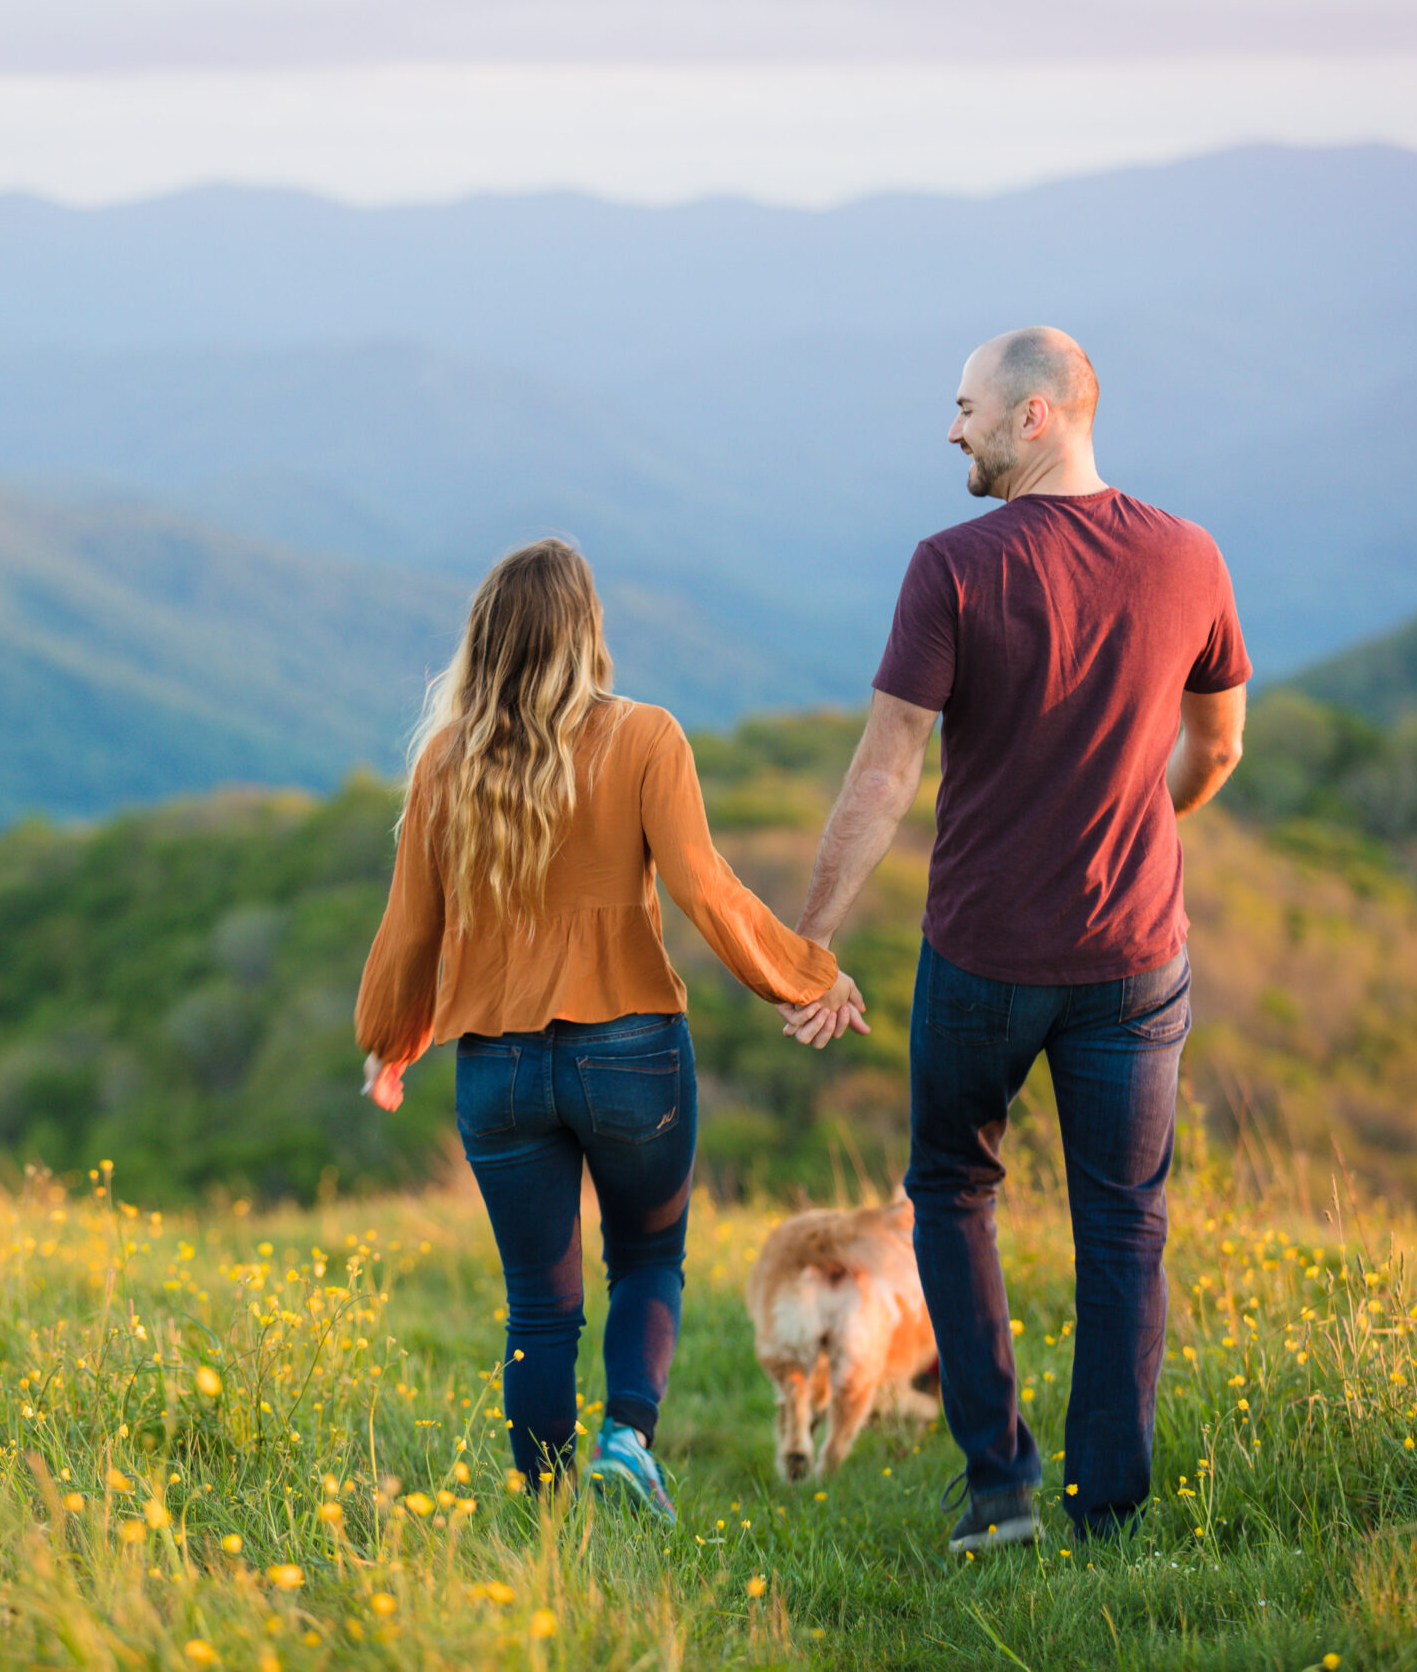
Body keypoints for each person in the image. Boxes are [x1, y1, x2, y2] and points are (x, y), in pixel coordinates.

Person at [781, 327, 1249, 1553]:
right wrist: (1149, 818)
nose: (952, 429)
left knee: (950, 1190)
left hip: (982, 955)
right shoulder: (1190, 556)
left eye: (967, 407)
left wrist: (810, 943)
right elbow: (1219, 748)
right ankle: (1107, 1508)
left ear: (1036, 416)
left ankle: (998, 1486)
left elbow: (885, 772)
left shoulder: (951, 565)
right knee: (1123, 1223)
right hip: (1135, 957)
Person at [356, 538, 847, 1523]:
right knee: (648, 1259)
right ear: (587, 633)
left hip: (496, 1065)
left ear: (485, 641)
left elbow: (411, 929)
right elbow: (705, 891)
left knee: (540, 1306)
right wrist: (804, 976)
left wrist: (391, 1038)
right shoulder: (644, 737)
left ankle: (545, 1513)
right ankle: (628, 1437)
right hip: (631, 1054)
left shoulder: (445, 761)